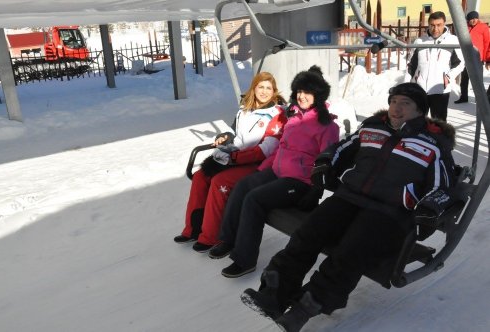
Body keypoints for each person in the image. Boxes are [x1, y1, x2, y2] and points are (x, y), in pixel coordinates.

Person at [241, 82, 457, 332]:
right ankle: (274, 293)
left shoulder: (433, 144)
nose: (396, 109)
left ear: (420, 111)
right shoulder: (373, 128)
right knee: (308, 234)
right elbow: (339, 149)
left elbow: (444, 185)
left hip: (390, 212)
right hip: (349, 198)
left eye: (405, 104)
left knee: (350, 252)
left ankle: (305, 308)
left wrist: (429, 208)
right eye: (393, 102)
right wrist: (324, 163)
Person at [208, 65, 340, 278]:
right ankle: (228, 239)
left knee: (254, 199)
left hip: (299, 182)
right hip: (277, 172)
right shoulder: (294, 118)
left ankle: (244, 259)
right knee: (243, 186)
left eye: (307, 92)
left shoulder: (327, 126)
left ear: (318, 95)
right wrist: (260, 171)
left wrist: (316, 189)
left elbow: (329, 160)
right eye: (299, 91)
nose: (302, 96)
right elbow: (280, 148)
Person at [174, 72, 287, 252]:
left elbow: (267, 149)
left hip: (256, 163)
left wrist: (236, 158)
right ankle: (193, 229)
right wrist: (225, 137)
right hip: (236, 158)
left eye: (268, 88)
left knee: (220, 182)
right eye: (261, 87)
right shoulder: (244, 110)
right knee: (200, 177)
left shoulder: (277, 115)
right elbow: (234, 134)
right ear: (254, 88)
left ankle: (211, 236)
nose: (264, 92)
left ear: (274, 91)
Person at [407, 11, 465, 121]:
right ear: (428, 25)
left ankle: (438, 139)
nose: (435, 29)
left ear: (444, 24)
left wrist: (448, 77)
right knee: (416, 121)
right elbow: (411, 64)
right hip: (420, 89)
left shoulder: (452, 41)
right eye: (432, 25)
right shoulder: (419, 41)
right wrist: (411, 83)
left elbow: (460, 63)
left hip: (440, 90)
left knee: (439, 124)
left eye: (439, 25)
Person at [455, 11, 490, 104]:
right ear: (468, 20)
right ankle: (464, 96)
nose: (473, 20)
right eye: (471, 19)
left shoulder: (484, 27)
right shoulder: (465, 27)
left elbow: (487, 43)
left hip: (478, 57)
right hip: (466, 57)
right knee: (464, 78)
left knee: (478, 79)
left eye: (475, 18)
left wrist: (487, 59)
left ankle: (480, 98)